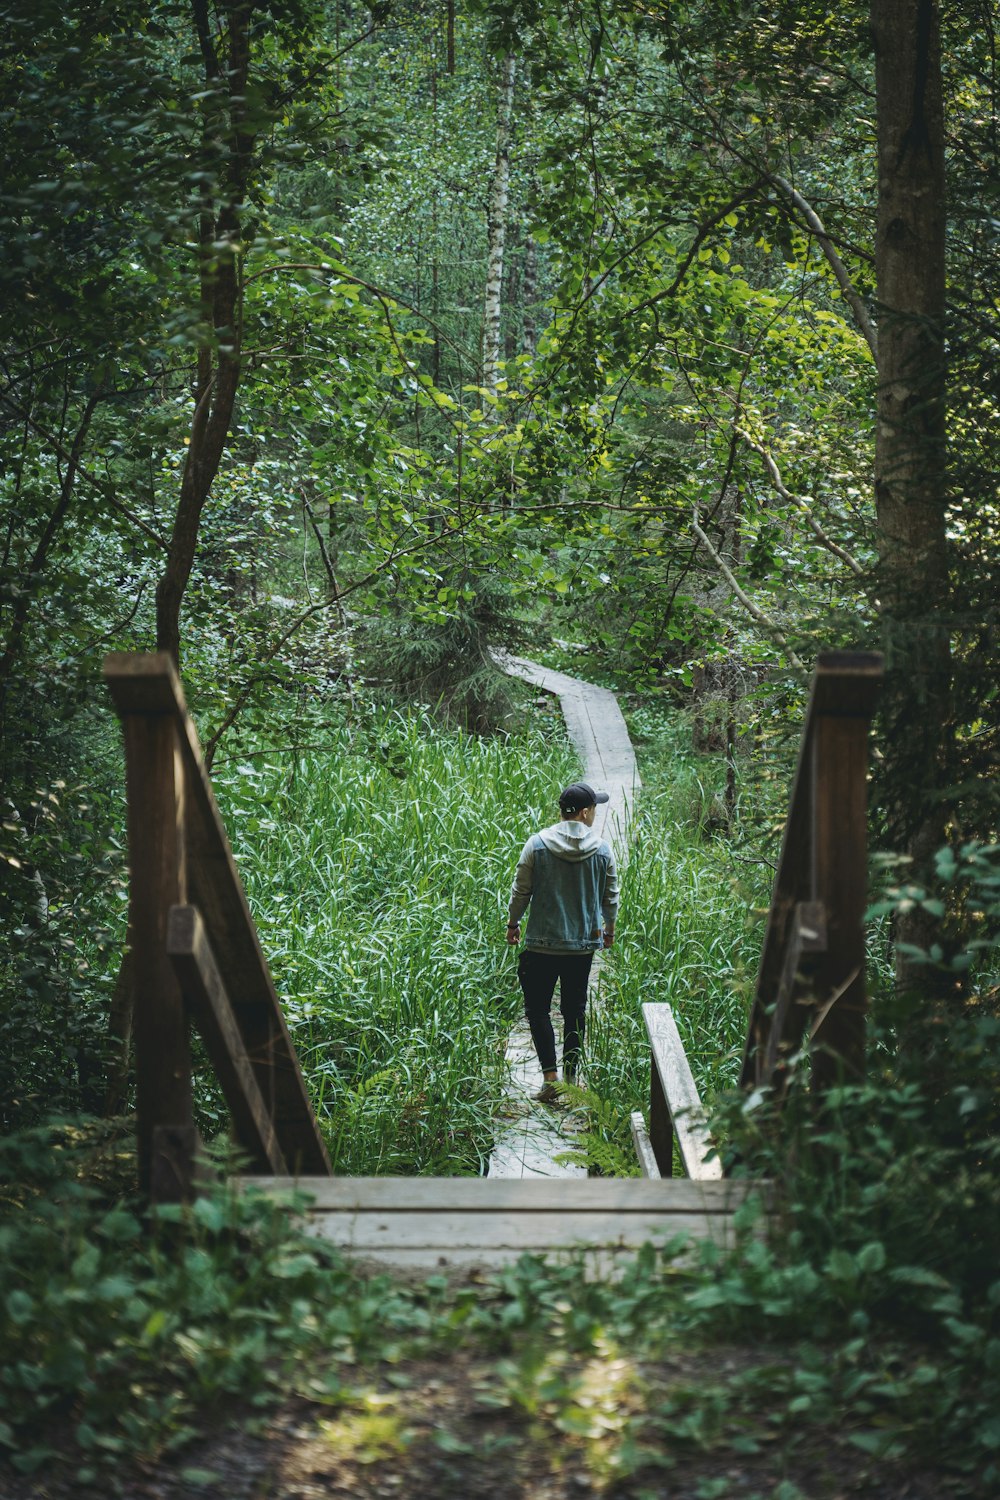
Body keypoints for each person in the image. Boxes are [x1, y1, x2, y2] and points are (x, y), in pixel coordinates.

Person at [506, 781, 619, 1103]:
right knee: (574, 1011)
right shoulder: (602, 849)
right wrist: (608, 930)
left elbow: (521, 891)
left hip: (541, 943)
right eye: (594, 808)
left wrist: (513, 923)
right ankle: (570, 1080)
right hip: (581, 947)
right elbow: (610, 897)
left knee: (538, 1010)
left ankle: (550, 1078)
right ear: (585, 813)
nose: (595, 813)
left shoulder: (537, 844)